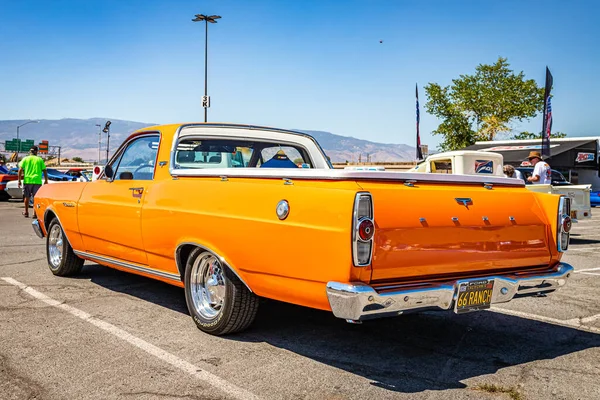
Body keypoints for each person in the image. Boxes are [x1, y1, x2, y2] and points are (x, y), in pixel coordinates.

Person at [17, 146, 48, 218]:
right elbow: (44, 170)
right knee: (35, 198)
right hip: (37, 181)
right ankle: (34, 213)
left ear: (30, 151)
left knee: (26, 197)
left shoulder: (25, 159)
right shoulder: (39, 160)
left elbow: (20, 170)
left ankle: (26, 212)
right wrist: (46, 180)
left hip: (27, 181)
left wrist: (19, 180)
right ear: (37, 152)